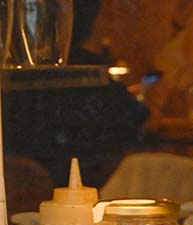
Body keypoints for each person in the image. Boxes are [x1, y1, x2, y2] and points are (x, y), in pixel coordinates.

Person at [3, 0, 149, 189]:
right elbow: (139, 121)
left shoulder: (26, 74)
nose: (115, 20)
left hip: (27, 191)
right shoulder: (89, 75)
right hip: (77, 189)